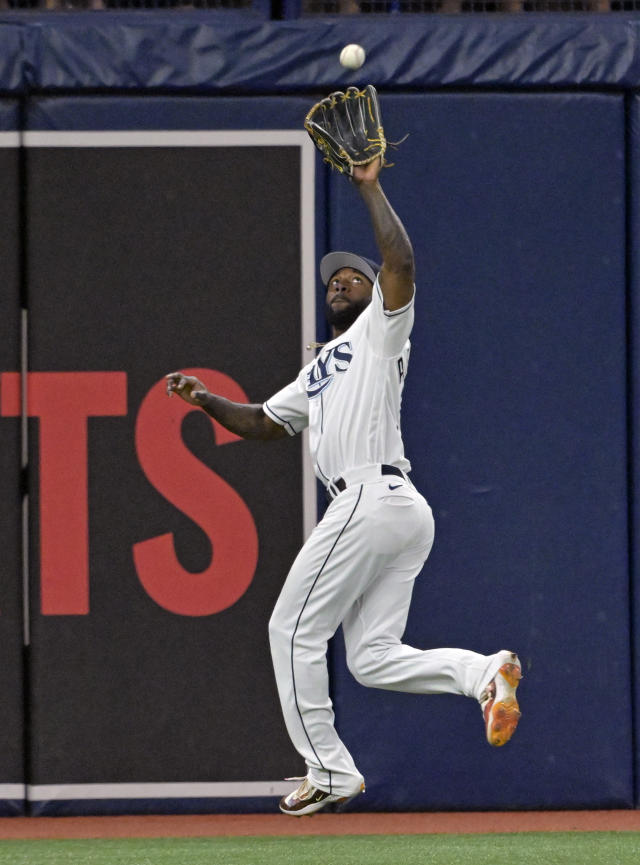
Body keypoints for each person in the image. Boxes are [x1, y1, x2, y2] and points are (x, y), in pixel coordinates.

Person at [165, 155, 522, 817]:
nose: (341, 282)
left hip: (369, 498)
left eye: (354, 275)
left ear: (372, 290)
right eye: (333, 279)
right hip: (395, 510)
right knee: (371, 657)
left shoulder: (381, 329)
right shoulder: (320, 365)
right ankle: (486, 673)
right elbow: (266, 424)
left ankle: (328, 769)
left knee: (289, 628)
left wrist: (369, 186)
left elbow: (403, 263)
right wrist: (209, 400)